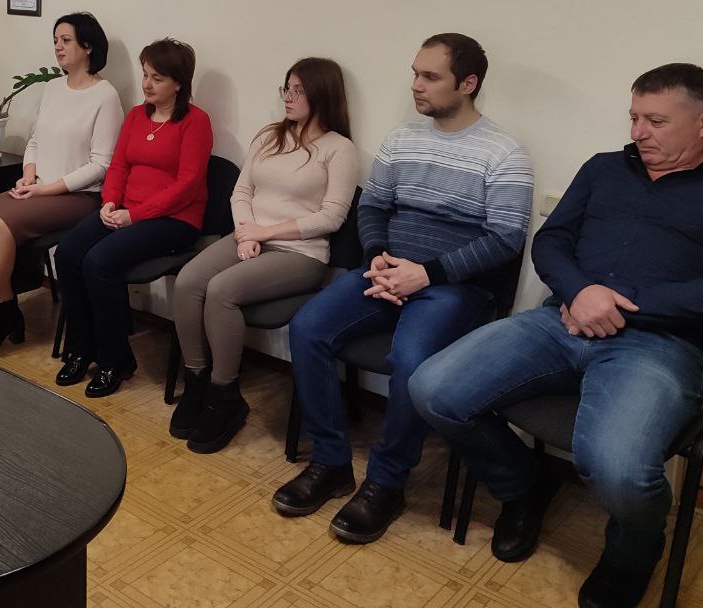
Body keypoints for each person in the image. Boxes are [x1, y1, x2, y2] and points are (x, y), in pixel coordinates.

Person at [411, 63, 703, 608]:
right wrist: (581, 291)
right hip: (559, 322)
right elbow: (551, 241)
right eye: (634, 117)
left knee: (618, 470)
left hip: (661, 345)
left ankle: (635, 548)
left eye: (656, 121)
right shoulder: (604, 169)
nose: (638, 132)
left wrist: (616, 301)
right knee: (432, 388)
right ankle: (522, 486)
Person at [272, 33, 533, 545]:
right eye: (415, 73)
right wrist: (377, 256)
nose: (416, 85)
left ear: (468, 83)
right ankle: (330, 462)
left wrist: (427, 273)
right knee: (307, 329)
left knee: (411, 360)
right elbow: (373, 206)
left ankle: (387, 483)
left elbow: (504, 239)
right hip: (387, 269)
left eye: (430, 76)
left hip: (454, 287)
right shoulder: (401, 140)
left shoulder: (504, 152)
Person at [170, 58, 358, 453]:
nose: (288, 97)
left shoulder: (339, 149)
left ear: (322, 95)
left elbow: (331, 217)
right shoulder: (270, 137)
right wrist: (245, 233)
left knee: (221, 290)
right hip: (249, 235)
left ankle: (225, 396)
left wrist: (264, 233)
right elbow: (242, 192)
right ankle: (196, 381)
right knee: (188, 281)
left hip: (300, 253)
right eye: (286, 88)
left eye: (298, 91)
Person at [54, 38, 212, 398]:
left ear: (178, 83)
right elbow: (119, 166)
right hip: (124, 210)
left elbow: (187, 186)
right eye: (145, 75)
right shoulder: (137, 116)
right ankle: (80, 349)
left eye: (157, 78)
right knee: (68, 252)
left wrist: (135, 215)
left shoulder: (195, 122)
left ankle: (115, 359)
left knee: (99, 262)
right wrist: (109, 202)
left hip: (174, 220)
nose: (147, 84)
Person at [0, 13, 122, 356]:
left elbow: (101, 166)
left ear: (88, 46)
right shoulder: (53, 88)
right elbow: (36, 140)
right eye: (55, 40)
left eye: (66, 40)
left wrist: (46, 189)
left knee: (2, 226)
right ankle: (7, 309)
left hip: (78, 197)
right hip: (39, 188)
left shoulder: (105, 96)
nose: (58, 47)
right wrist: (29, 174)